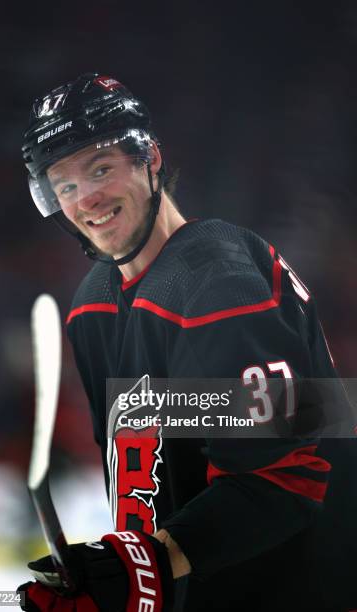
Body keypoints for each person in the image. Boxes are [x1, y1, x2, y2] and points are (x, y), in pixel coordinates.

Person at [18, 73, 357, 611]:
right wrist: (118, 580)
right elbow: (153, 490)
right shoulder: (92, 306)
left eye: (101, 169)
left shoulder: (216, 278)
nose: (87, 199)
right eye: (65, 186)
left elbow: (286, 475)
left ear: (149, 158)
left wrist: (143, 564)